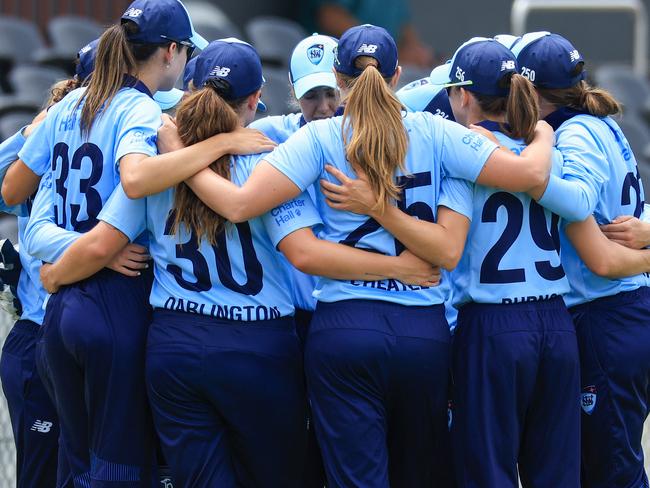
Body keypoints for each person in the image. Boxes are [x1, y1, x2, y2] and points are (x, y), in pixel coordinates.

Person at [155, 23, 559, 487]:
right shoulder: (438, 133)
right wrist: (544, 134)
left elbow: (240, 206)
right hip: (422, 332)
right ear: (397, 75)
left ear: (338, 77)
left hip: (343, 329)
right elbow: (528, 175)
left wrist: (183, 156)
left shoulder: (319, 137)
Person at [33, 37, 440, 487]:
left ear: (191, 93)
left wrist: (53, 273)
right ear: (253, 101)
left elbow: (97, 244)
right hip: (259, 347)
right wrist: (400, 268)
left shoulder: (158, 167)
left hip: (176, 346)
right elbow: (305, 253)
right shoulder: (270, 165)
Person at [9, 0, 237, 484]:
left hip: (60, 303)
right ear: (171, 51)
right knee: (117, 470)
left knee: (74, 467)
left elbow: (13, 190)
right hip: (116, 302)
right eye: (184, 52)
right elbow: (135, 181)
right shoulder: (141, 109)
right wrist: (217, 145)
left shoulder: (70, 103)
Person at [512, 31, 650, 488]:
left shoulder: (575, 134)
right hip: (622, 314)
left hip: (606, 314)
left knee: (612, 473)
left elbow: (603, 261)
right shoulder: (600, 119)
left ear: (530, 90)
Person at [303, 0, 433, 67]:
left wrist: (417, 52)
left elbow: (403, 22)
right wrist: (380, 50)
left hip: (384, 62)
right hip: (339, 64)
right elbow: (329, 15)